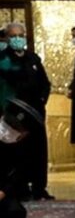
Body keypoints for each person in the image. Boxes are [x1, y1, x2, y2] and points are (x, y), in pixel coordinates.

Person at [1, 21, 53, 200]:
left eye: (20, 36)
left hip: (35, 114)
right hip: (13, 116)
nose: (17, 39)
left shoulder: (33, 58)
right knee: (17, 153)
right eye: (13, 36)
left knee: (38, 151)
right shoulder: (3, 60)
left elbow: (45, 84)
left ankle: (39, 188)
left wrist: (42, 101)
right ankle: (19, 189)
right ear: (7, 38)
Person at [0, 99, 44, 218]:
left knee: (15, 213)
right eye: (8, 124)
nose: (8, 131)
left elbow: (18, 175)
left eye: (15, 129)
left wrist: (2, 192)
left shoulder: (23, 149)